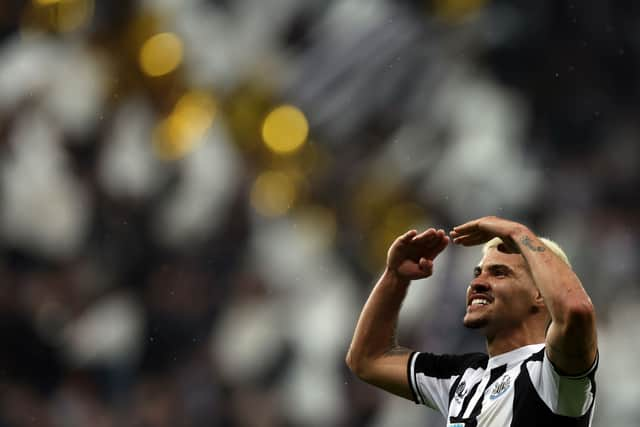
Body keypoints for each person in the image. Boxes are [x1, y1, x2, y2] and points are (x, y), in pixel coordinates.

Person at [346, 216, 597, 426]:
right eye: (478, 273)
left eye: (499, 273)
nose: (477, 283)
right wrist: (395, 277)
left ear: (540, 294)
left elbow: (575, 310)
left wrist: (517, 231)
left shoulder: (553, 378)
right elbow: (367, 359)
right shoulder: (463, 377)